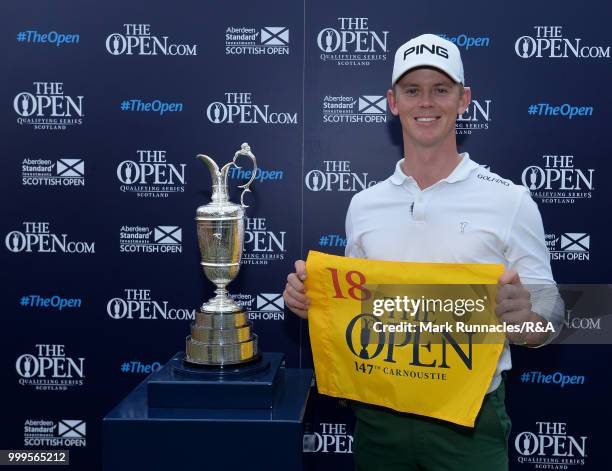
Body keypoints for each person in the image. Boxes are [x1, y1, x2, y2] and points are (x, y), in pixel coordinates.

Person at [284, 33, 563, 470]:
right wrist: (311, 301)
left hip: (469, 425)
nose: (426, 103)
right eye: (412, 90)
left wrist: (528, 318)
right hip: (379, 420)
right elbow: (357, 309)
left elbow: (551, 314)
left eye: (441, 89)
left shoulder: (510, 201)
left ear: (463, 99)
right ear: (392, 102)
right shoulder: (364, 205)